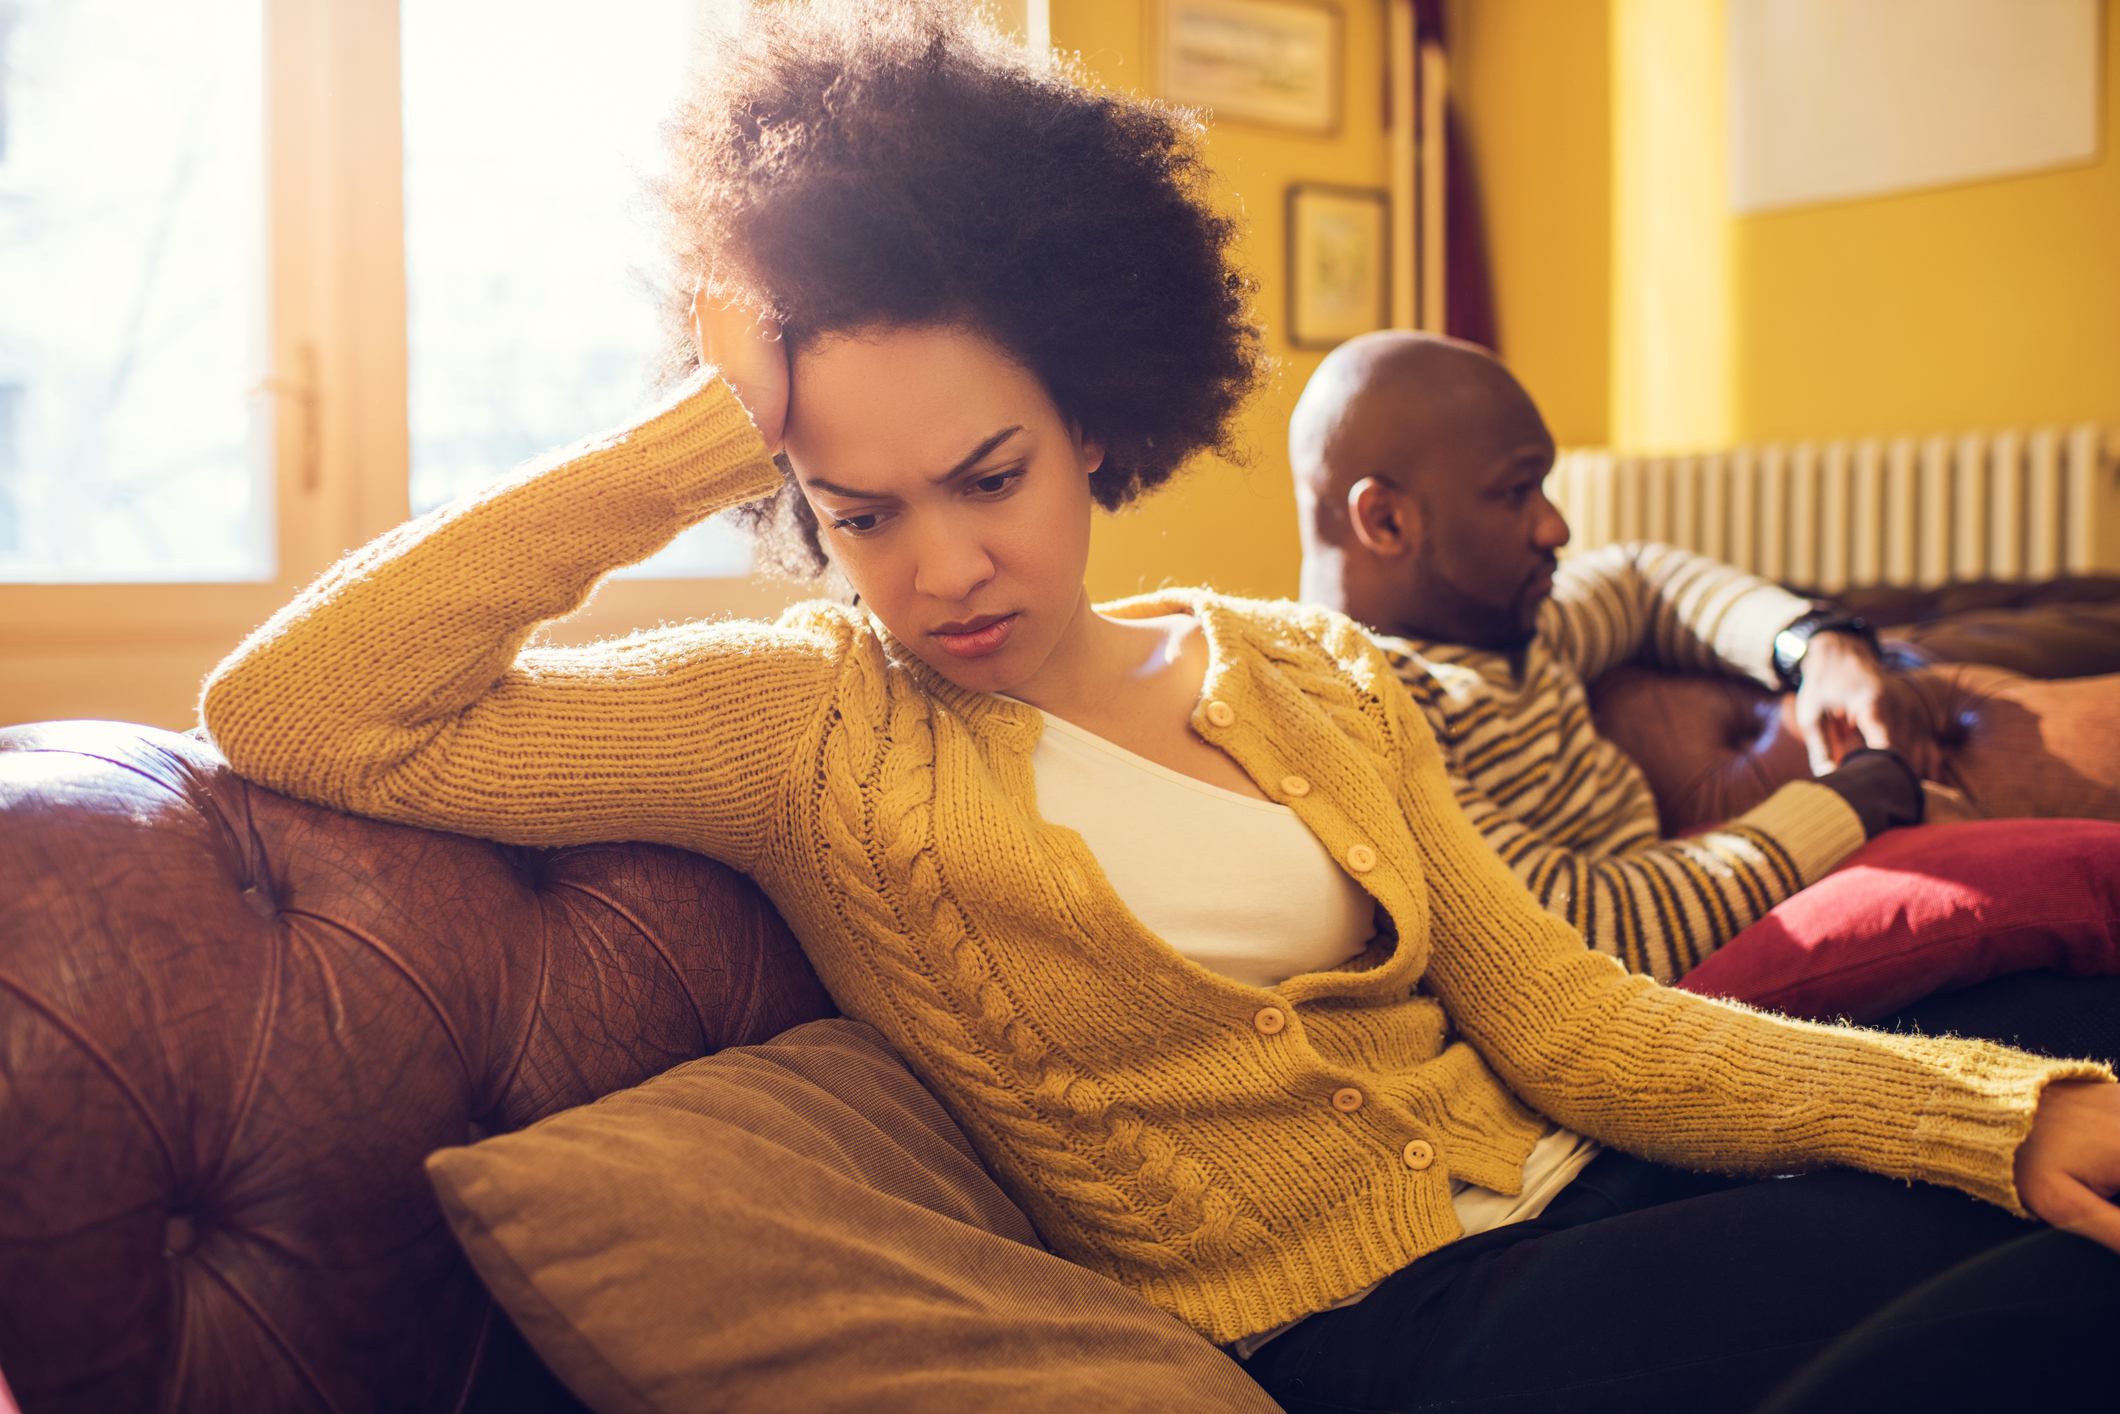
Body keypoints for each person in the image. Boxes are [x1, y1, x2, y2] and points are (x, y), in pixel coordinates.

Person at [201, 3, 2120, 1408]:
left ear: (1097, 424)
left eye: (989, 471)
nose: (939, 562)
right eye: (859, 510)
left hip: (1595, 1191)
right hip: (1375, 1335)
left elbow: (1579, 1017)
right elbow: (306, 706)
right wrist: (703, 436)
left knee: (2040, 1255)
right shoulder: (800, 725)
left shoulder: (1305, 666)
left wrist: (1990, 1116)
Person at [1292, 330, 1963, 981]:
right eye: (1516, 492)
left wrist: (1819, 646)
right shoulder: (1367, 705)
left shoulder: (1503, 623)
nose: (1556, 527)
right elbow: (1585, 931)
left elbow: (1642, 577)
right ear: (1387, 521)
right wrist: (1870, 791)